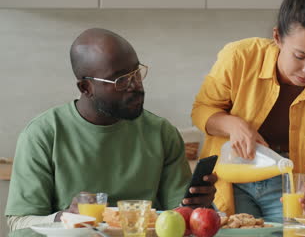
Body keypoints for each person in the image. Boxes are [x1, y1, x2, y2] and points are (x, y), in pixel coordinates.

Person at [5, 28, 217, 231]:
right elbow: (19, 222)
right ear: (86, 88)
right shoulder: (43, 134)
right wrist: (64, 218)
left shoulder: (161, 133)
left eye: (137, 72)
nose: (136, 85)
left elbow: (177, 217)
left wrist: (200, 206)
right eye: (121, 80)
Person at [191, 0, 305, 221]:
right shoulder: (239, 57)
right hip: (232, 179)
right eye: (300, 56)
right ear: (277, 38)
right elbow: (202, 110)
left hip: (288, 189)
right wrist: (234, 125)